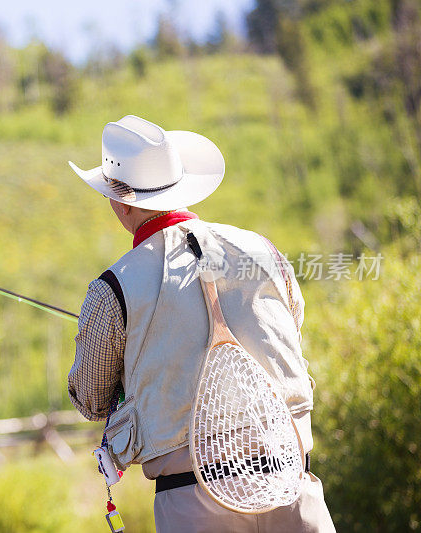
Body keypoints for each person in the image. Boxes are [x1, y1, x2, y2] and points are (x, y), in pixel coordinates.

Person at [66, 115, 335, 532]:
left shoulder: (112, 289)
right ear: (179, 186)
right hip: (294, 486)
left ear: (120, 202)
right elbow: (293, 327)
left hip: (193, 502)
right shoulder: (263, 249)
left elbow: (90, 400)